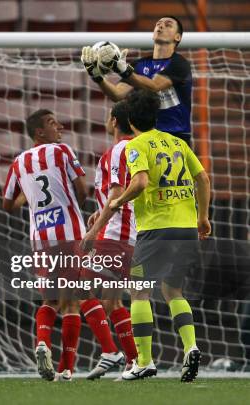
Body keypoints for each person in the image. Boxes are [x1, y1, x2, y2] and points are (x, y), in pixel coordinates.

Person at [109, 89, 211, 382]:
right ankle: (190, 346)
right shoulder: (176, 142)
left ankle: (144, 361)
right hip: (185, 228)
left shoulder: (136, 145)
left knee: (139, 290)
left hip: (156, 229)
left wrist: (117, 201)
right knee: (172, 290)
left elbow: (140, 182)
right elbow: (202, 177)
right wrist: (202, 217)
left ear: (130, 118)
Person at [2, 109, 88, 382]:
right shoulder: (62, 151)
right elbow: (83, 190)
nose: (59, 125)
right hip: (70, 234)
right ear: (40, 132)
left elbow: (6, 204)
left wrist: (29, 198)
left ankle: (42, 342)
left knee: (50, 300)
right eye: (52, 122)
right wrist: (73, 207)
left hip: (41, 238)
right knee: (72, 303)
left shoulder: (19, 162)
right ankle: (66, 369)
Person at [80, 101, 139, 379]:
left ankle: (109, 351)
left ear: (114, 120)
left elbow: (117, 195)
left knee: (77, 287)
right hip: (129, 232)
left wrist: (93, 232)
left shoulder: (117, 150)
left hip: (114, 234)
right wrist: (99, 210)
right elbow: (121, 194)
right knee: (111, 302)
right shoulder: (137, 148)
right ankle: (134, 362)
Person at [82, 16, 193, 146]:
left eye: (168, 25)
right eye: (158, 24)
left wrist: (124, 71)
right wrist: (97, 77)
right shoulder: (139, 65)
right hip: (146, 139)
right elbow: (117, 94)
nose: (161, 26)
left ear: (177, 37)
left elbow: (154, 86)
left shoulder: (179, 64)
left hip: (175, 139)